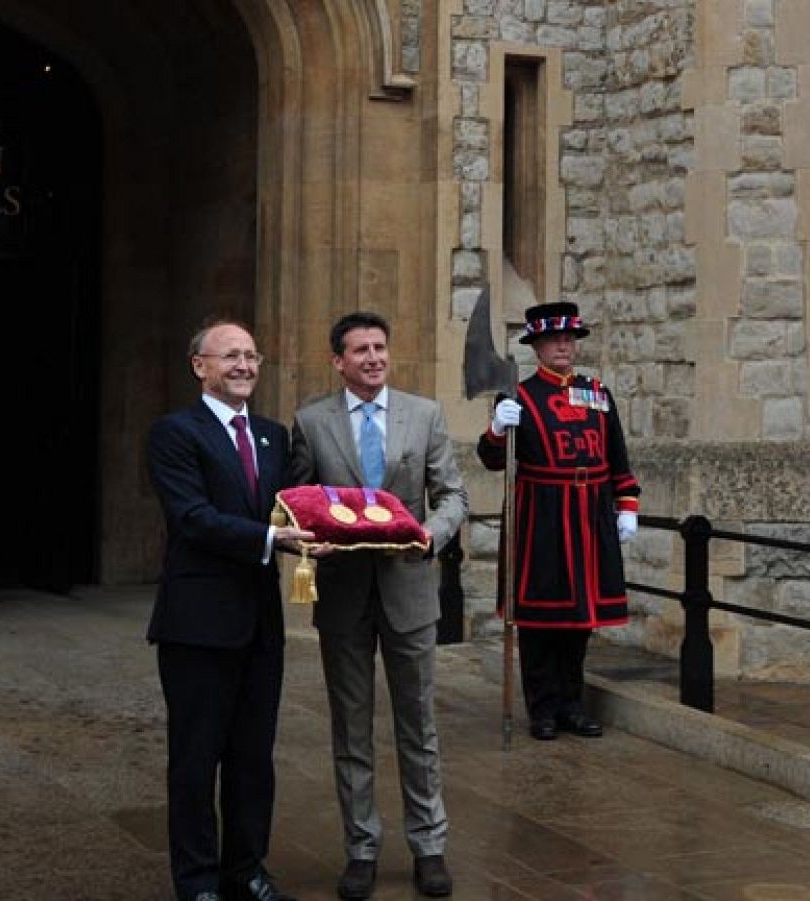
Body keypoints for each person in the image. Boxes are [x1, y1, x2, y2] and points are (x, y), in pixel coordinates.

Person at [288, 311, 467, 900]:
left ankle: (429, 845)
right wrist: (303, 534)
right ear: (338, 360)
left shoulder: (424, 414)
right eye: (359, 350)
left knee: (418, 725)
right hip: (343, 595)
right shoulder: (311, 422)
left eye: (380, 347)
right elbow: (298, 498)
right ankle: (361, 848)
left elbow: (452, 495)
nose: (373, 357)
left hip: (409, 589)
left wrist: (430, 535)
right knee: (351, 727)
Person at [146, 319, 313, 901]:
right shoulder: (175, 433)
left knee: (252, 759)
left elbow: (300, 504)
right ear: (200, 366)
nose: (244, 365)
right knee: (196, 761)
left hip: (259, 625)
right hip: (196, 624)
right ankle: (197, 882)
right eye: (230, 356)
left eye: (251, 356)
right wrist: (272, 543)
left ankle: (246, 871)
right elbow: (191, 517)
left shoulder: (272, 435)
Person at [478, 301, 640, 742]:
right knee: (540, 619)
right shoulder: (519, 395)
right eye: (554, 341)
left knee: (579, 618)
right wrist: (496, 427)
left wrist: (626, 504)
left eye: (569, 339)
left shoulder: (597, 392)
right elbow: (493, 460)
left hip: (589, 514)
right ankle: (542, 708)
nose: (563, 347)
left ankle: (573, 703)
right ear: (538, 348)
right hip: (542, 517)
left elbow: (617, 454)